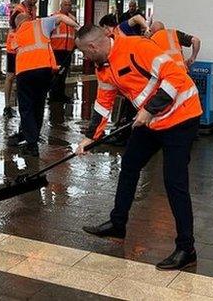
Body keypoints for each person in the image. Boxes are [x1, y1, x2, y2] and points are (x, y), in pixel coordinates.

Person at [74, 25, 202, 270]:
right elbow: (104, 103)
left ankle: (187, 248)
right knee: (130, 164)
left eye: (84, 53)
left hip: (181, 117)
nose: (84, 58)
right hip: (153, 120)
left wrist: (149, 109)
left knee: (174, 182)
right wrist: (91, 137)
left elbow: (175, 76)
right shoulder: (104, 67)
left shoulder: (136, 47)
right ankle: (117, 223)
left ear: (92, 47)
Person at [8, 12, 80, 156]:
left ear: (17, 24)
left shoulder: (15, 35)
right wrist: (78, 27)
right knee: (38, 105)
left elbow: (12, 55)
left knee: (26, 108)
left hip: (25, 73)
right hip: (44, 71)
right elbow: (61, 18)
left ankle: (31, 143)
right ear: (29, 19)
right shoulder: (40, 24)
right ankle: (31, 135)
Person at [3, 0, 40, 117]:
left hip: (25, 47)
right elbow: (14, 24)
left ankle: (21, 104)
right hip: (14, 47)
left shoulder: (33, 9)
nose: (35, 0)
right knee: (10, 76)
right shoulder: (19, 9)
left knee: (22, 76)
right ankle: (7, 106)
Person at [48, 0, 77, 103]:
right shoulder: (54, 17)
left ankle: (60, 95)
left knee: (63, 74)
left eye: (69, 4)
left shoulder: (72, 19)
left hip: (68, 50)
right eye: (65, 4)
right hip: (56, 50)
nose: (68, 6)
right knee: (56, 74)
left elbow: (74, 34)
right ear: (61, 5)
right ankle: (53, 95)